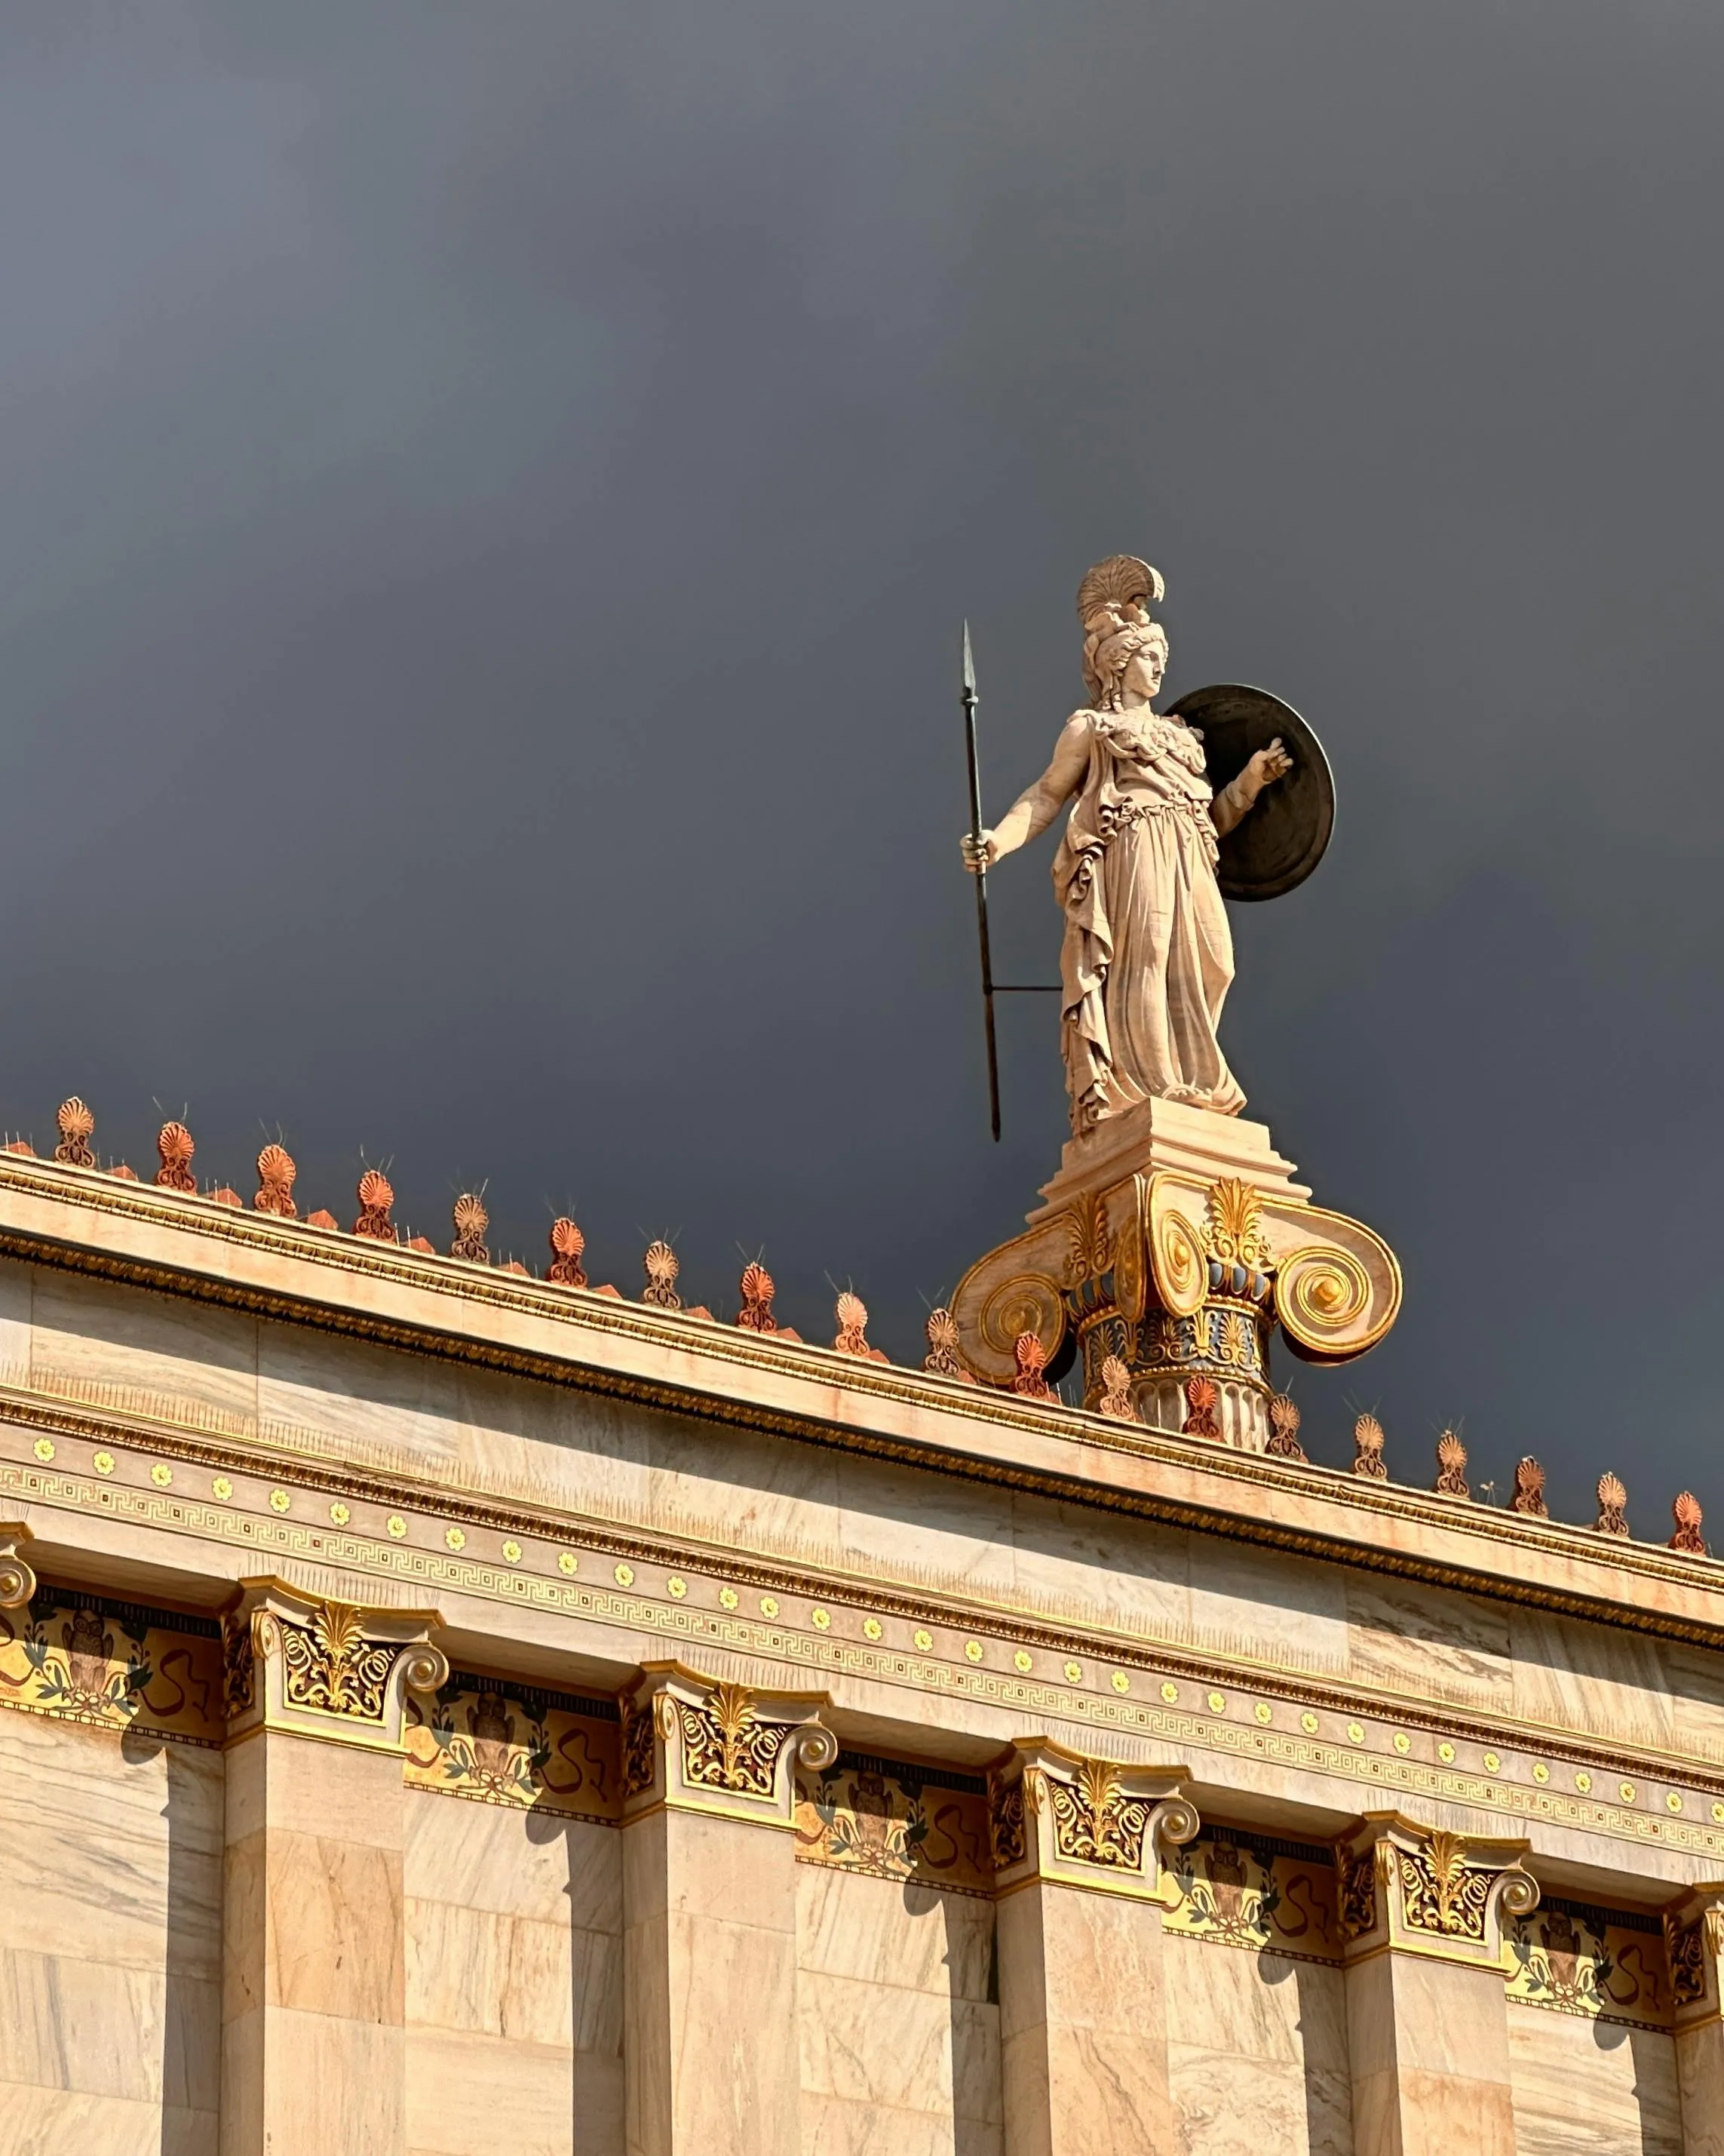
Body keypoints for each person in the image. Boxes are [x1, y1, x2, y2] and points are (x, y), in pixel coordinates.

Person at [962, 556, 1290, 1132]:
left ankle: (1191, 1075)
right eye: (1149, 657)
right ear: (1119, 662)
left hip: (1189, 850)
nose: (1160, 669)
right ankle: (1155, 1086)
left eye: (1162, 658)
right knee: (1147, 956)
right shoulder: (1092, 729)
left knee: (1216, 963)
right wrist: (998, 840)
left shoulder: (1182, 737)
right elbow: (1045, 794)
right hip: (1134, 842)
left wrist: (1250, 782)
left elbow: (1210, 818)